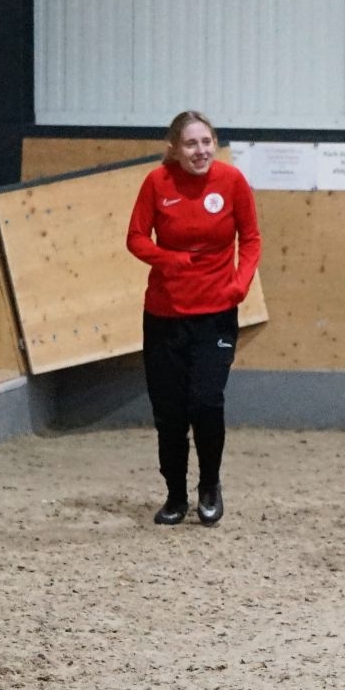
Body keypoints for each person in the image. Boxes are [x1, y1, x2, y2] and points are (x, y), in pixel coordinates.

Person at [125, 111, 262, 525]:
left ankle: (209, 485)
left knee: (205, 401)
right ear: (174, 149)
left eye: (207, 142)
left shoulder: (232, 181)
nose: (201, 151)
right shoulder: (157, 183)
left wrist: (240, 282)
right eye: (191, 143)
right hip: (164, 314)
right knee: (169, 411)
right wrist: (168, 260)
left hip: (216, 313)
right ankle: (174, 495)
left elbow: (251, 238)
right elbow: (135, 238)